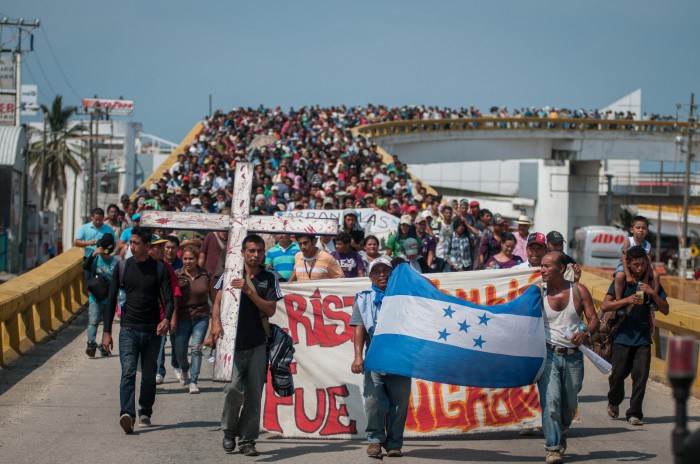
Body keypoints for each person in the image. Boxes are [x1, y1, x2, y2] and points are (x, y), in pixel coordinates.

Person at [211, 234, 283, 456]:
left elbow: (270, 309)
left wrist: (249, 292)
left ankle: (248, 440)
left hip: (256, 342)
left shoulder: (269, 278)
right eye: (251, 250)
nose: (255, 255)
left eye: (259, 251)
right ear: (242, 252)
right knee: (232, 389)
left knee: (254, 394)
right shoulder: (231, 272)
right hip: (231, 343)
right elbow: (218, 300)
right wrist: (215, 324)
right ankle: (229, 431)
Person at [102, 227, 175, 433]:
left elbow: (169, 299)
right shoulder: (122, 267)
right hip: (128, 329)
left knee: (149, 374)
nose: (131, 246)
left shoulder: (160, 270)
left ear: (147, 246)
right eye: (130, 242)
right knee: (128, 372)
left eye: (136, 243)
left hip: (153, 332)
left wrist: (166, 319)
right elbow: (110, 301)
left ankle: (145, 410)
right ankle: (127, 414)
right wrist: (106, 332)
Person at [538, 252, 599, 464]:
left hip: (573, 357)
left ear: (561, 269)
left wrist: (584, 331)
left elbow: (593, 319)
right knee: (551, 402)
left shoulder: (578, 290)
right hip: (548, 355)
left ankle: (562, 429)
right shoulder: (539, 293)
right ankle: (552, 448)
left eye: (547, 266)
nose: (542, 269)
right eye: (541, 266)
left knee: (570, 404)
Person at [600, 245, 669, 426]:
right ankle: (614, 400)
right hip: (622, 337)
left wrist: (653, 293)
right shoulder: (622, 282)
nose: (640, 268)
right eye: (636, 265)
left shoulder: (651, 282)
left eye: (643, 265)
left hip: (643, 338)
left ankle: (635, 413)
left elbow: (666, 309)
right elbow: (605, 306)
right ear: (628, 265)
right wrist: (626, 300)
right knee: (617, 376)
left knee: (640, 378)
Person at [350, 257, 412, 458]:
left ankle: (394, 443)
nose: (382, 274)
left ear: (392, 273)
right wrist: (358, 357)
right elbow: (359, 328)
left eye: (386, 270)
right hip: (375, 356)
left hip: (401, 357)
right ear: (370, 276)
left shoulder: (405, 295)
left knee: (398, 404)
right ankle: (375, 441)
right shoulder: (363, 298)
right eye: (376, 271)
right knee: (374, 403)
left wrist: (410, 277)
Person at [175, 245, 216, 394]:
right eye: (185, 259)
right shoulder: (177, 275)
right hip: (182, 317)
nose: (188, 261)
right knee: (179, 351)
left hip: (201, 316)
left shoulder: (206, 274)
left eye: (191, 258)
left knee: (196, 348)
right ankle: (184, 369)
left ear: (197, 259)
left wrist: (215, 317)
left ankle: (193, 381)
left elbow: (214, 297)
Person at [149, 235, 182, 385]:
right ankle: (158, 371)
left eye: (165, 246)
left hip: (164, 314)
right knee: (158, 346)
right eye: (160, 247)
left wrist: (173, 316)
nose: (164, 250)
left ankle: (175, 366)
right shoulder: (135, 265)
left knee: (173, 343)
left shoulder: (166, 267)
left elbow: (174, 292)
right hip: (147, 316)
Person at [83, 234, 119, 357]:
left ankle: (103, 345)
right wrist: (93, 255)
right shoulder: (96, 259)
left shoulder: (116, 262)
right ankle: (91, 343)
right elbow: (85, 266)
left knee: (107, 323)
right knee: (93, 321)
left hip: (109, 298)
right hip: (95, 296)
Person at [613, 216, 658, 302]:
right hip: (626, 265)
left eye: (643, 228)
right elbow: (623, 257)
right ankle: (618, 300)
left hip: (641, 267)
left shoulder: (648, 246)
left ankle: (653, 299)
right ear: (632, 230)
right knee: (619, 277)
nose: (641, 230)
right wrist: (628, 275)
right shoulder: (629, 242)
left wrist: (646, 277)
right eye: (638, 228)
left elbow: (648, 262)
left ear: (647, 231)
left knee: (656, 275)